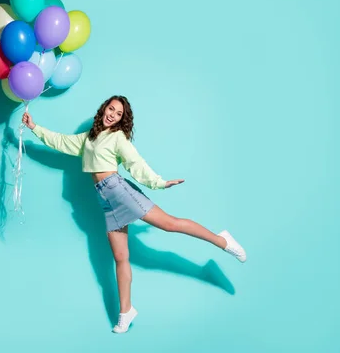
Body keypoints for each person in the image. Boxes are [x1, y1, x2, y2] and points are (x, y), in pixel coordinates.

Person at [22, 95, 246, 334]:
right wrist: (35, 128)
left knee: (170, 224)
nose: (112, 115)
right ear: (104, 108)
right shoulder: (89, 137)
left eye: (118, 114)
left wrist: (159, 183)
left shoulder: (117, 138)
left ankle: (222, 240)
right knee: (120, 257)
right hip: (104, 198)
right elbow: (62, 142)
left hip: (118, 191)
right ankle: (126, 310)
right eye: (111, 109)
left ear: (121, 120)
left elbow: (134, 163)